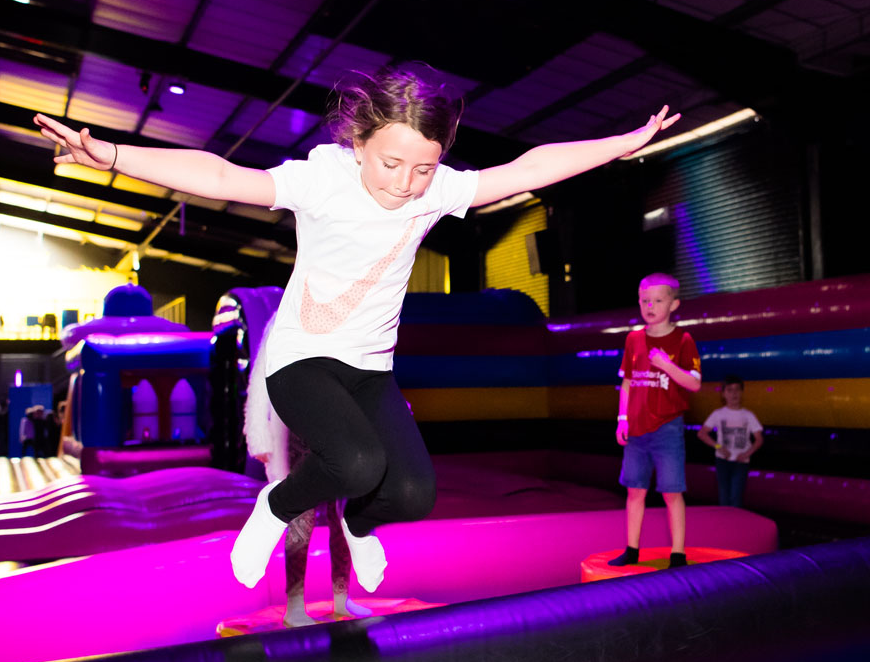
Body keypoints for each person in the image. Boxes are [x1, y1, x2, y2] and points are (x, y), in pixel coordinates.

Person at [35, 62, 680, 592]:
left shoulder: (436, 190)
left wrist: (623, 144)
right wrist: (111, 155)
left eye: (422, 168)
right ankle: (273, 507)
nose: (405, 184)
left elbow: (529, 168)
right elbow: (223, 175)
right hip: (300, 359)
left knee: (413, 494)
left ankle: (358, 530)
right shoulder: (323, 179)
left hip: (370, 368)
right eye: (391, 164)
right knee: (357, 461)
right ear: (361, 144)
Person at [245, 320, 372, 626]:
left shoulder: (343, 314)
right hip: (299, 428)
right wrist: (259, 433)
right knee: (302, 518)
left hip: (337, 427)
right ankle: (295, 605)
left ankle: (341, 598)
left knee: (343, 517)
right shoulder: (285, 317)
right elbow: (261, 379)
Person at [610, 273, 702, 569]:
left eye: (658, 301)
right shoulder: (633, 338)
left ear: (674, 304)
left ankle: (678, 554)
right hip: (636, 427)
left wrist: (667, 364)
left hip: (667, 427)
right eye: (645, 300)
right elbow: (626, 383)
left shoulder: (683, 339)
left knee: (672, 492)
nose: (650, 306)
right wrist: (622, 418)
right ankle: (632, 549)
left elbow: (694, 383)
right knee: (634, 490)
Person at [697, 375, 764, 507]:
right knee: (724, 496)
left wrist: (746, 454)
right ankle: (725, 524)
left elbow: (759, 439)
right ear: (723, 394)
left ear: (742, 393)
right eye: (730, 390)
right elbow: (702, 433)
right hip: (723, 461)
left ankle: (736, 524)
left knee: (736, 497)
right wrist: (718, 446)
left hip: (741, 462)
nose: (734, 394)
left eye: (737, 390)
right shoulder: (718, 414)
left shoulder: (748, 415)